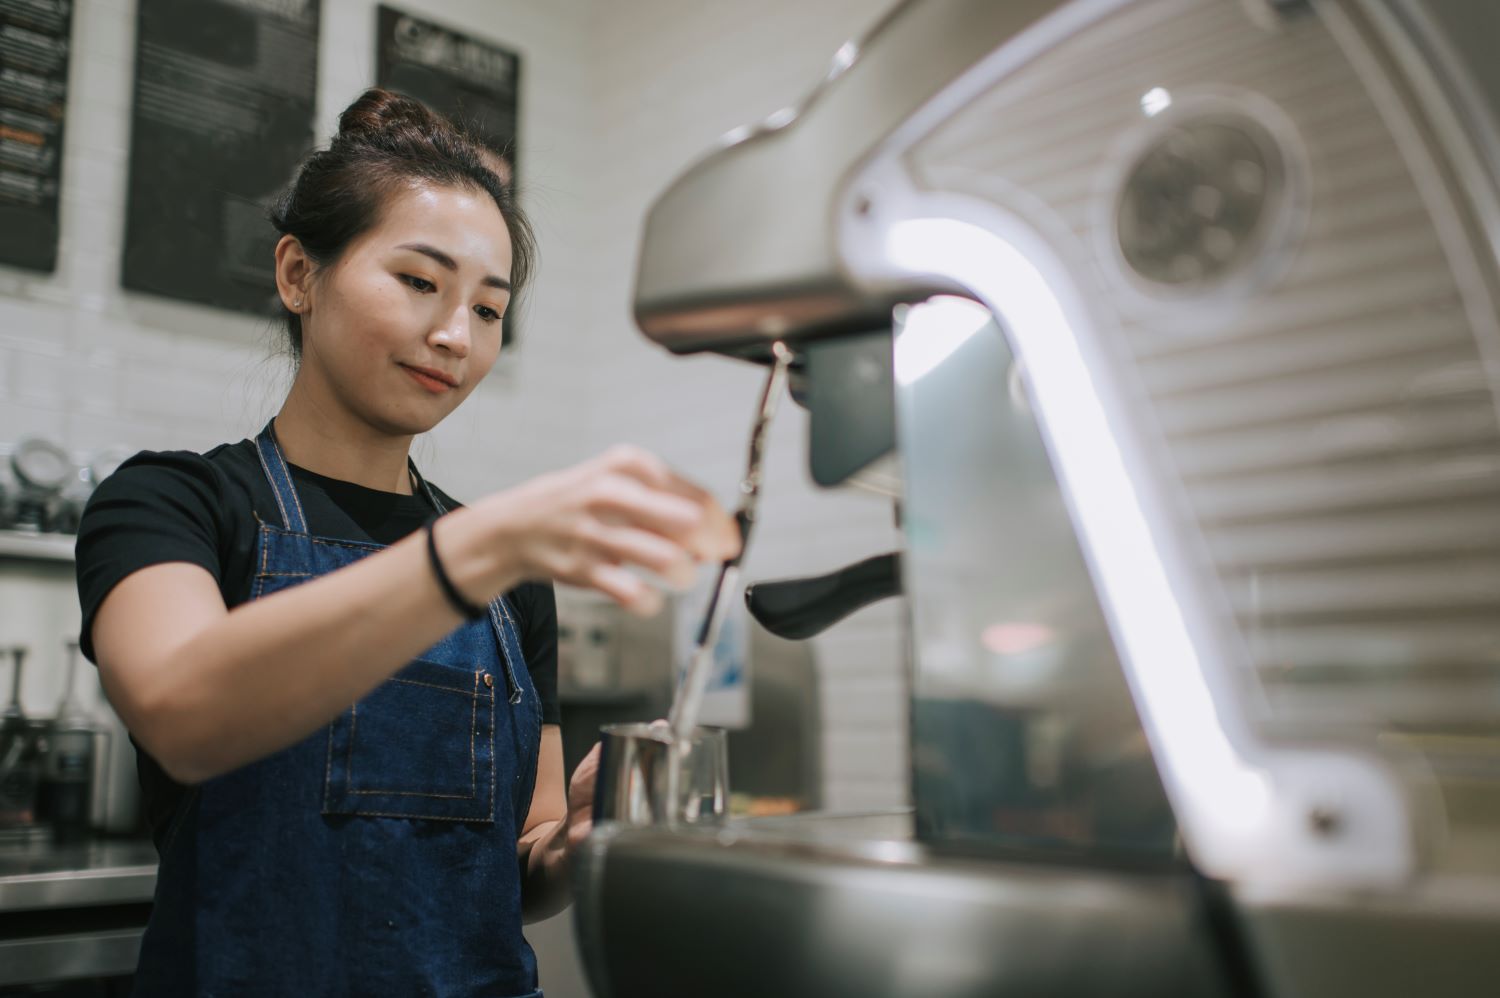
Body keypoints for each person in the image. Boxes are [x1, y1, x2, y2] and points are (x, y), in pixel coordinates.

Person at [75, 88, 739, 997]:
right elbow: (185, 711)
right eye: (420, 282)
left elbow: (518, 871)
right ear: (298, 275)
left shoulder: (509, 576)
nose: (453, 336)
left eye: (490, 310)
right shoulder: (176, 504)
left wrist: (581, 838)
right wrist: (479, 550)